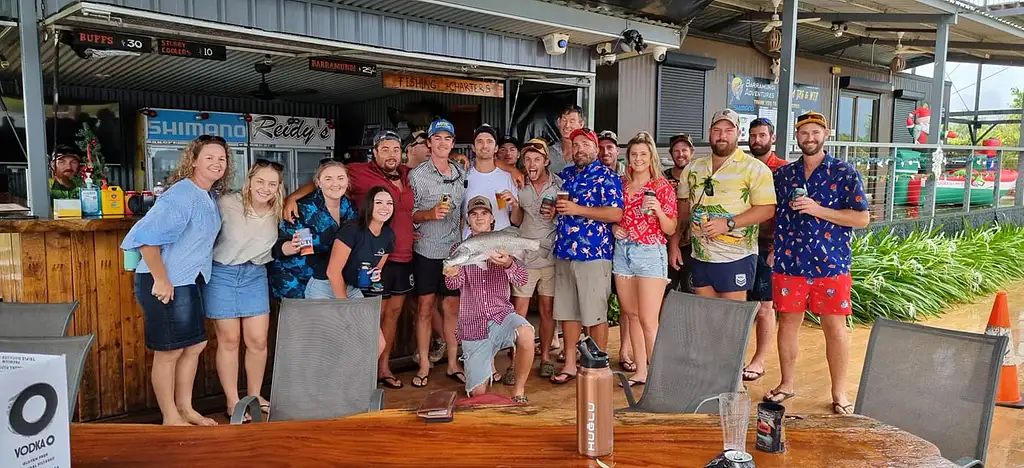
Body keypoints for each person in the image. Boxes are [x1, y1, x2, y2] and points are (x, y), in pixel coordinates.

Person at [281, 130, 415, 388]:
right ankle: (322, 392)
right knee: (325, 344)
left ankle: (345, 385)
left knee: (374, 341)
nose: (385, 207)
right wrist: (292, 197)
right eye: (384, 148)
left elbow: (374, 267)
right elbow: (330, 270)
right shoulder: (339, 218)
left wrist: (372, 277)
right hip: (320, 282)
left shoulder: (371, 223)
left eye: (396, 149)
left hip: (351, 285)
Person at [120, 135, 233, 426]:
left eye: (221, 158)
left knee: (193, 346)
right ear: (193, 160)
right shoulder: (182, 194)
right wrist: (161, 279)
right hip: (163, 281)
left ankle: (186, 409)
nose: (216, 163)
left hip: (188, 280)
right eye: (209, 157)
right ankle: (170, 416)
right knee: (169, 351)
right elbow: (146, 240)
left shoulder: (207, 195)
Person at [764, 111, 869, 415]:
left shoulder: (844, 172)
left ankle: (839, 392)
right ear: (796, 136)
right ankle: (786, 383)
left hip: (831, 264)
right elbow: (775, 216)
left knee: (835, 329)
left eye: (815, 132)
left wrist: (817, 209)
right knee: (787, 326)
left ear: (825, 134)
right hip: (790, 262)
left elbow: (861, 218)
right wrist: (772, 248)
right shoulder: (783, 175)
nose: (809, 138)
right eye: (804, 133)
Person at [203, 159, 282, 422]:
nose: (265, 188)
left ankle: (255, 395)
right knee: (229, 341)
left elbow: (308, 189)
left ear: (279, 187)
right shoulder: (226, 203)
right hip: (222, 273)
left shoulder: (280, 208)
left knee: (258, 341)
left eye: (272, 183)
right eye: (260, 181)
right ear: (249, 180)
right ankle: (232, 401)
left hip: (255, 274)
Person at [671, 109, 775, 301]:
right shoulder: (693, 168)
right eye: (717, 130)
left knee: (732, 318)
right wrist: (674, 243)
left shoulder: (755, 168)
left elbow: (767, 209)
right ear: (710, 132)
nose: (722, 135)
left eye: (728, 130)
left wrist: (728, 223)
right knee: (707, 316)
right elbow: (683, 209)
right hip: (701, 255)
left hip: (737, 257)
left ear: (738, 133)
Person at [444, 196, 535, 402]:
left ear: (492, 218)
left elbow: (522, 279)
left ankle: (518, 391)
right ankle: (481, 372)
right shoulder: (459, 249)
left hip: (501, 316)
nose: (479, 218)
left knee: (527, 333)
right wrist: (451, 272)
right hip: (473, 325)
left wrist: (508, 264)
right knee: (478, 393)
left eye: (484, 213)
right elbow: (452, 285)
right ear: (468, 219)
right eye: (474, 214)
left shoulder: (501, 242)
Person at [550, 128, 623, 385]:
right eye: (575, 144)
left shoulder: (607, 177)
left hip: (593, 254)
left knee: (595, 315)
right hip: (564, 251)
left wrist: (577, 209)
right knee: (568, 312)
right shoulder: (565, 175)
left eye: (585, 144)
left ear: (595, 148)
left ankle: (597, 364)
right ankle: (570, 363)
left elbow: (615, 214)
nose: (580, 149)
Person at [611, 132, 677, 387]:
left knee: (650, 320)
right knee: (631, 314)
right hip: (623, 251)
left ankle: (660, 378)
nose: (638, 159)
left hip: (650, 251)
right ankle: (641, 371)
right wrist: (614, 228)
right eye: (634, 154)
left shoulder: (661, 187)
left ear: (651, 158)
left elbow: (670, 228)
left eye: (643, 154)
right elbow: (616, 215)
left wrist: (658, 210)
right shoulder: (621, 184)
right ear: (628, 158)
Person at [409, 118, 468, 388]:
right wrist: (429, 214)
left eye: (447, 138)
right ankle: (424, 364)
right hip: (426, 250)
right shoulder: (417, 175)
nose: (442, 143)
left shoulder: (461, 173)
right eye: (437, 138)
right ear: (429, 143)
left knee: (452, 308)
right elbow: (408, 214)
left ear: (453, 143)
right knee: (424, 308)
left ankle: (453, 363)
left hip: (454, 252)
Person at [509, 139, 560, 380]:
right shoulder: (518, 183)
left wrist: (557, 213)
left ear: (546, 161)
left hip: (549, 257)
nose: (532, 163)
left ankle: (546, 357)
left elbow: (566, 220)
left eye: (537, 159)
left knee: (547, 310)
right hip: (524, 257)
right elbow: (517, 221)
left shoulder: (559, 185)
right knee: (519, 310)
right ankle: (515, 361)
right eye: (528, 159)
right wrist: (515, 205)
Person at [269, 160, 357, 300]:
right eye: (328, 179)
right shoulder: (303, 208)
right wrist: (292, 246)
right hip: (296, 279)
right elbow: (278, 245)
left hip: (328, 280)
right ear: (318, 183)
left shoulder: (349, 208)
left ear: (347, 181)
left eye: (340, 178)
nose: (335, 184)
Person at [743, 118, 788, 383]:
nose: (757, 140)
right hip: (739, 243)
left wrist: (778, 245)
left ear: (772, 138)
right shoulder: (742, 167)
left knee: (764, 306)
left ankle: (759, 359)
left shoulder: (783, 170)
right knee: (739, 304)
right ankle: (736, 356)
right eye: (753, 135)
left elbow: (787, 212)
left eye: (762, 135)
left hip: (767, 245)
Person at [463, 124, 518, 239]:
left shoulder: (508, 177)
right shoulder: (463, 176)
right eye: (480, 141)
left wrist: (515, 205)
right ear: (473, 147)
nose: (484, 146)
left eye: (489, 141)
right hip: (472, 245)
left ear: (496, 148)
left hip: (502, 245)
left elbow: (517, 221)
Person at [664, 133, 695, 294]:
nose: (680, 154)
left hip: (693, 243)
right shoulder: (662, 178)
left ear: (692, 151)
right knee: (667, 293)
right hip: (665, 242)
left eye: (684, 150)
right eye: (676, 150)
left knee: (692, 293)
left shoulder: (700, 176)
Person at [548, 104, 586, 174]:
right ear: (558, 122)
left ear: (581, 124)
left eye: (572, 121)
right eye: (564, 120)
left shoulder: (587, 154)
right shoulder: (548, 152)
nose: (567, 125)